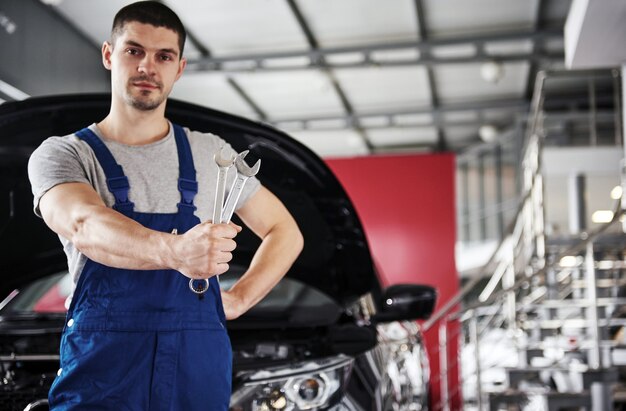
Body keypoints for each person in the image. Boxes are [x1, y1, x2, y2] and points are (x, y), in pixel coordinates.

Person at [27, 1, 304, 409]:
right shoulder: (64, 154)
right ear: (109, 55)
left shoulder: (214, 155)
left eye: (163, 56)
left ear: (179, 68)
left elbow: (286, 232)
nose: (147, 67)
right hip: (104, 370)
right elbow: (83, 224)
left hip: (197, 369)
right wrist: (177, 252)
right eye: (134, 51)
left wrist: (240, 298)